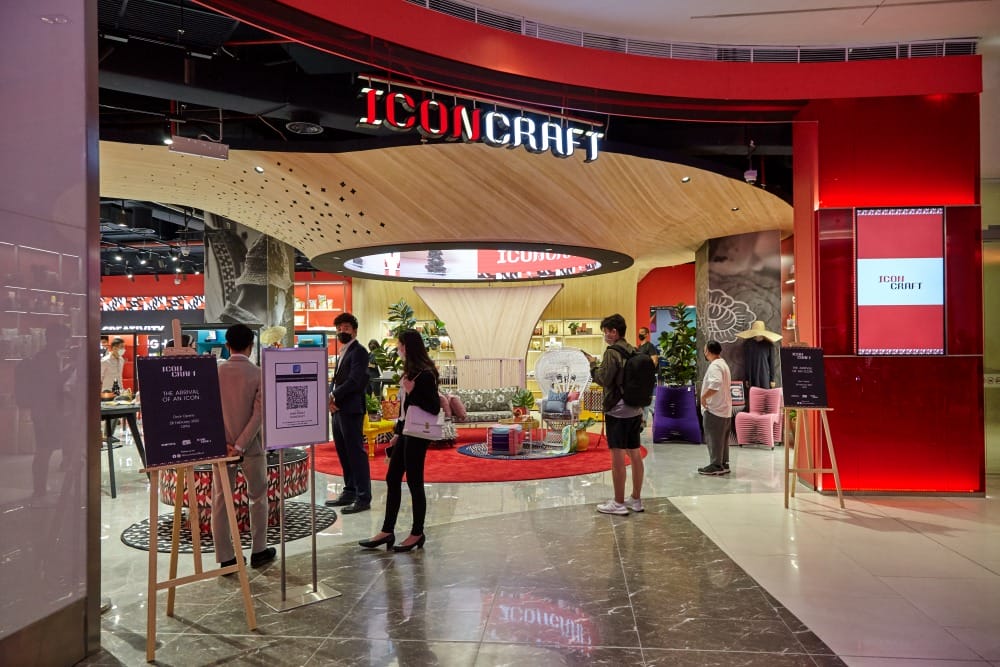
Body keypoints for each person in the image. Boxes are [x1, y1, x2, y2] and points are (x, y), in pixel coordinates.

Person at [360, 329, 440, 552]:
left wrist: (412, 392)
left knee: (414, 481)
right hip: (406, 433)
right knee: (392, 477)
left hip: (418, 435)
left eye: (400, 345)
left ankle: (417, 532)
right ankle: (387, 530)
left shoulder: (425, 374)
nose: (397, 348)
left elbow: (433, 407)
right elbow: (405, 410)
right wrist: (397, 433)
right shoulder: (410, 372)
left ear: (408, 347)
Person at [212, 324, 275, 569]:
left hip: (221, 448)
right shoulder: (259, 373)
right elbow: (259, 415)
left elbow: (208, 412)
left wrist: (226, 443)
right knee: (258, 497)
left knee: (221, 499)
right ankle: (259, 550)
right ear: (251, 345)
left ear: (227, 345)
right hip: (252, 448)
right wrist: (240, 445)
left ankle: (226, 557)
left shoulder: (215, 372)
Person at [584, 313, 645, 515]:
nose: (605, 336)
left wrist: (593, 364)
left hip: (618, 409)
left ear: (614, 332)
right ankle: (636, 499)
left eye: (606, 332)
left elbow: (603, 379)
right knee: (634, 453)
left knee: (617, 455)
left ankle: (618, 503)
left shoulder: (612, 353)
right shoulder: (633, 350)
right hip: (635, 408)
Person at [325, 313, 372, 514]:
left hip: (351, 409)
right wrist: (330, 398)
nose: (341, 331)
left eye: (345, 328)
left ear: (354, 330)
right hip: (338, 409)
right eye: (339, 328)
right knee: (343, 452)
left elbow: (354, 380)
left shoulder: (359, 351)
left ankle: (363, 497)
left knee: (355, 453)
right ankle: (350, 490)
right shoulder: (343, 351)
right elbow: (337, 380)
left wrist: (332, 395)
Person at [699, 340, 733, 476]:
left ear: (707, 351)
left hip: (715, 409)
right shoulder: (723, 364)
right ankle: (723, 463)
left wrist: (704, 397)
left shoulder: (715, 366)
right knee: (722, 439)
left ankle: (715, 465)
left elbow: (715, 384)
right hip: (724, 409)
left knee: (713, 438)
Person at [635, 327, 660, 428]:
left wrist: (648, 373)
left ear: (647, 334)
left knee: (648, 401)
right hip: (640, 378)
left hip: (647, 378)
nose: (640, 334)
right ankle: (643, 420)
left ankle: (652, 419)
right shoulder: (639, 348)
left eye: (642, 332)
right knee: (642, 400)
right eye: (639, 332)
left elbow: (655, 360)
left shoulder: (650, 346)